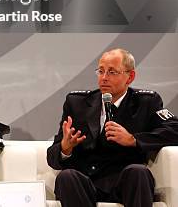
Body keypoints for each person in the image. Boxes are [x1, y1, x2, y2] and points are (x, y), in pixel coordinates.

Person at [47, 48, 178, 207]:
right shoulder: (77, 103)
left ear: (130, 77)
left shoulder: (146, 102)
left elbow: (174, 130)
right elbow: (52, 157)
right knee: (66, 177)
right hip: (85, 183)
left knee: (138, 172)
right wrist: (65, 148)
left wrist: (133, 139)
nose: (104, 78)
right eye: (100, 71)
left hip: (125, 181)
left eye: (112, 72)